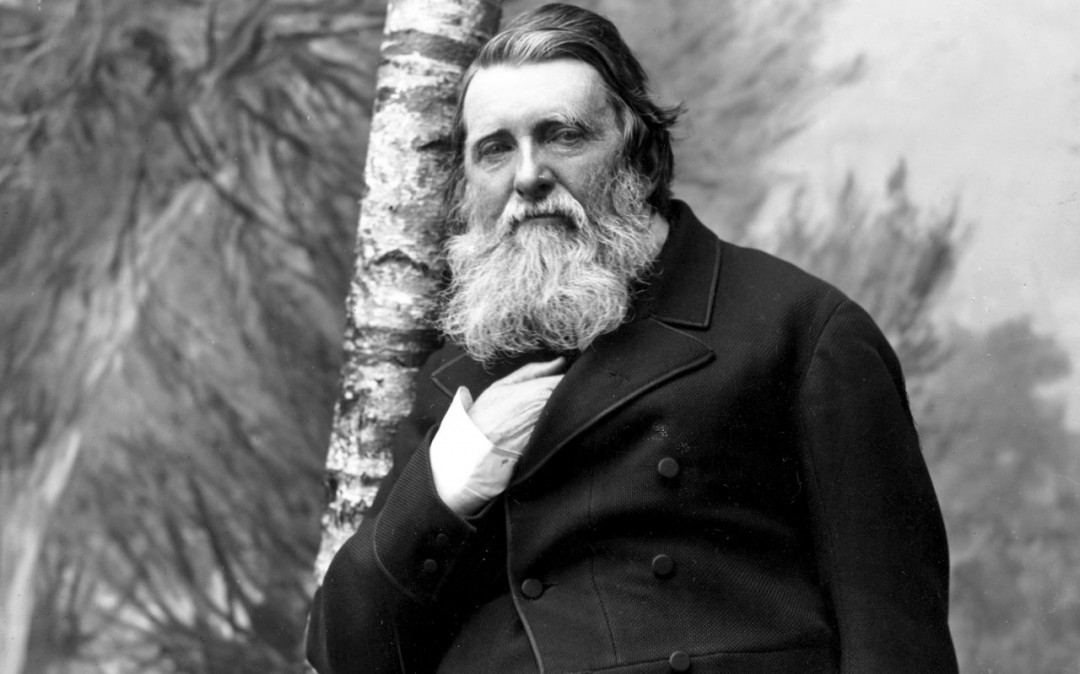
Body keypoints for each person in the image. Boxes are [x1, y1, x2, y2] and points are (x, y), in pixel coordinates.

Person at [305, 4, 959, 673]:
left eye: (562, 135)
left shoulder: (800, 332)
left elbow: (897, 646)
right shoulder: (461, 374)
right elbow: (344, 653)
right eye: (495, 149)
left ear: (639, 156)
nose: (527, 176)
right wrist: (451, 479)